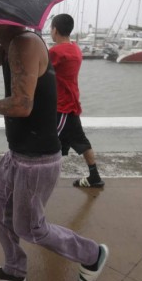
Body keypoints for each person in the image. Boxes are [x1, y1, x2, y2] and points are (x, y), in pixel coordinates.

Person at [0, 24, 108, 281]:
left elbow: (22, 105)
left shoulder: (25, 44)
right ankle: (15, 269)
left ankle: (92, 254)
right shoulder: (9, 45)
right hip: (17, 153)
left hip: (36, 161)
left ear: (6, 18)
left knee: (30, 228)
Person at [48, 14, 105, 189]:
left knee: (47, 143)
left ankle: (40, 179)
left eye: (51, 28)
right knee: (80, 140)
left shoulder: (55, 52)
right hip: (71, 103)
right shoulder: (75, 49)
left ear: (55, 30)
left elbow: (39, 70)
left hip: (62, 106)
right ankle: (94, 176)